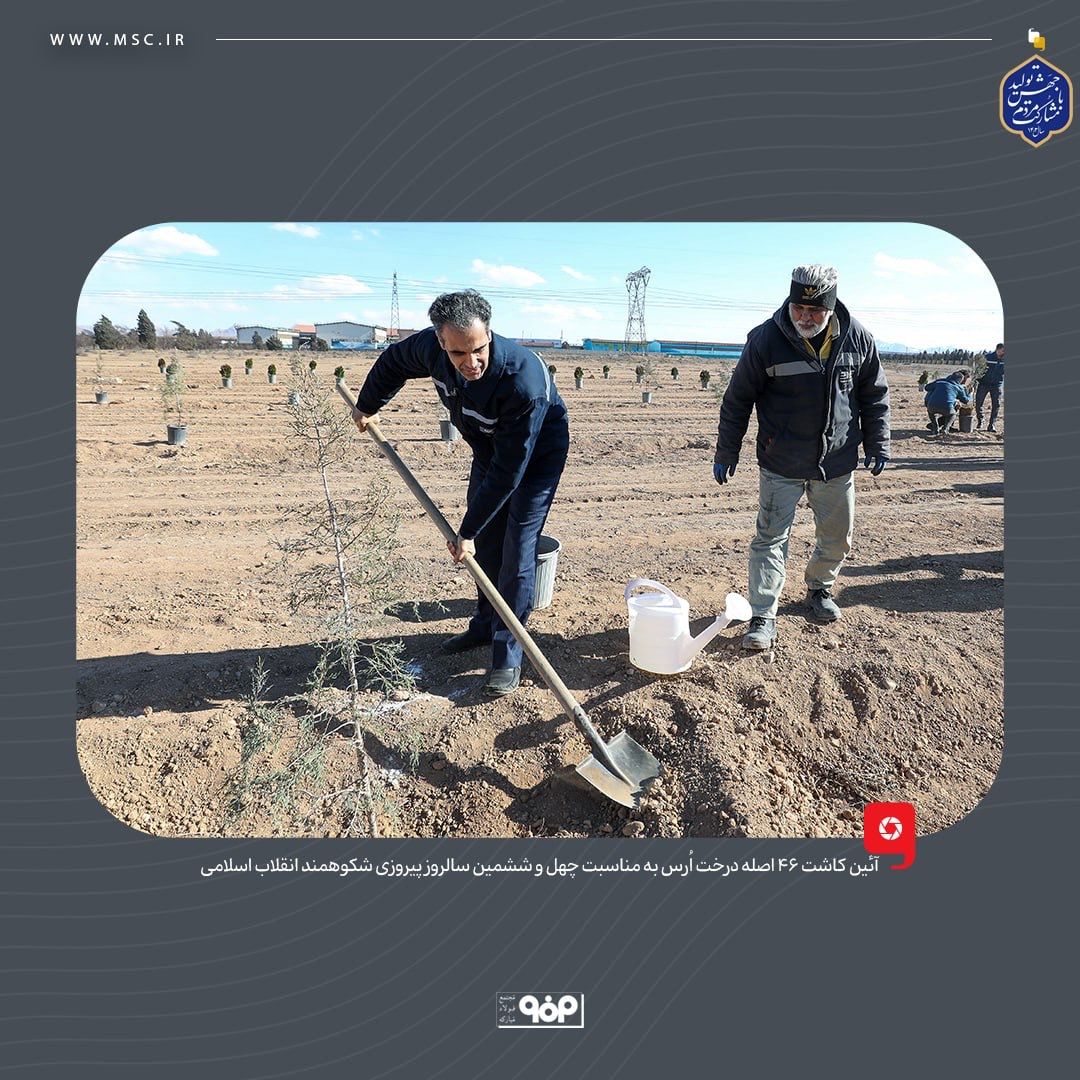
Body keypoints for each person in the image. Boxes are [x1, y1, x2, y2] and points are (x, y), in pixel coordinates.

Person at [351, 290, 569, 696]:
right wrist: (367, 404)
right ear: (440, 342)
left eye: (479, 350)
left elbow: (509, 472)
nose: (471, 363)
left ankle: (508, 654)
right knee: (487, 543)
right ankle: (485, 625)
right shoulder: (428, 347)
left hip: (535, 456)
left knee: (517, 547)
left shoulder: (524, 383)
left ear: (490, 334)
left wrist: (465, 531)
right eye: (458, 353)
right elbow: (393, 362)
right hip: (489, 448)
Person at [713, 264, 891, 650]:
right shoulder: (765, 340)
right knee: (770, 539)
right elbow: (738, 399)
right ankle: (763, 614)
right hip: (781, 460)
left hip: (836, 461)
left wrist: (878, 443)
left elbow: (874, 395)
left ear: (831, 307)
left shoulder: (858, 338)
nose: (805, 317)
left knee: (837, 536)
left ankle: (820, 589)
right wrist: (727, 449)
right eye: (799, 308)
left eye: (815, 310)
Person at [924, 370, 972, 435]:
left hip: (931, 405)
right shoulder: (958, 387)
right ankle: (945, 429)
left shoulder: (939, 382)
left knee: (931, 412)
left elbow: (927, 387)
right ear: (960, 380)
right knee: (952, 413)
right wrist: (970, 394)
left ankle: (935, 427)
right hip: (946, 407)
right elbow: (966, 400)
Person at [975, 342, 1005, 431]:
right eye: (1003, 350)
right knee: (978, 403)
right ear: (998, 349)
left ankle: (991, 425)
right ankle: (980, 420)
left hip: (996, 384)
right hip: (983, 384)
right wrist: (976, 379)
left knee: (996, 404)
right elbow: (978, 369)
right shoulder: (987, 357)